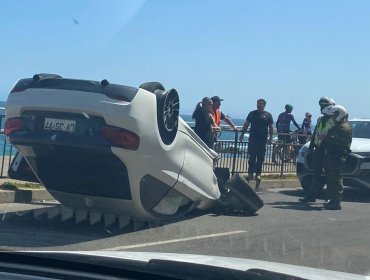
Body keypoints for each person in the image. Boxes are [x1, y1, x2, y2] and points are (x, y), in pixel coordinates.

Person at [299, 97, 336, 203]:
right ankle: (312, 195)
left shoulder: (334, 120)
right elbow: (315, 134)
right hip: (319, 150)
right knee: (316, 174)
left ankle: (330, 197)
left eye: (324, 106)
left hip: (329, 151)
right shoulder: (320, 119)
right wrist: (311, 148)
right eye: (321, 106)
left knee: (330, 175)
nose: (322, 108)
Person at [320, 105, 352, 210]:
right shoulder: (338, 126)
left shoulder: (344, 127)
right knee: (331, 178)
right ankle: (332, 200)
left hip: (337, 156)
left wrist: (326, 138)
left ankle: (336, 202)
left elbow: (341, 142)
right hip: (332, 156)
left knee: (336, 179)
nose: (332, 118)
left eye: (334, 115)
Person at [239, 99, 274, 182]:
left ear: (264, 105)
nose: (259, 105)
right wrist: (242, 133)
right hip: (253, 139)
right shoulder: (252, 113)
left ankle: (258, 174)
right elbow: (246, 123)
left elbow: (271, 127)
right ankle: (250, 173)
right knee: (252, 157)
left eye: (261, 104)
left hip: (262, 139)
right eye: (258, 104)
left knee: (260, 158)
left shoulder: (268, 115)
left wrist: (271, 138)